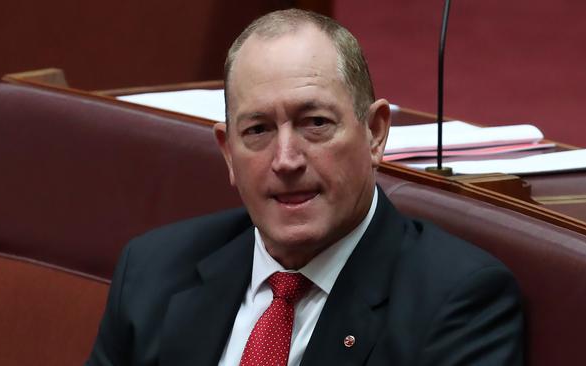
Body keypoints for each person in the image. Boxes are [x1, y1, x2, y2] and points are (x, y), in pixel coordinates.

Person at [87, 9, 523, 366]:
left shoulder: (456, 303)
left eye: (315, 123)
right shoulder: (153, 272)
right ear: (227, 153)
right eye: (257, 130)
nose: (286, 159)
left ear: (374, 133)